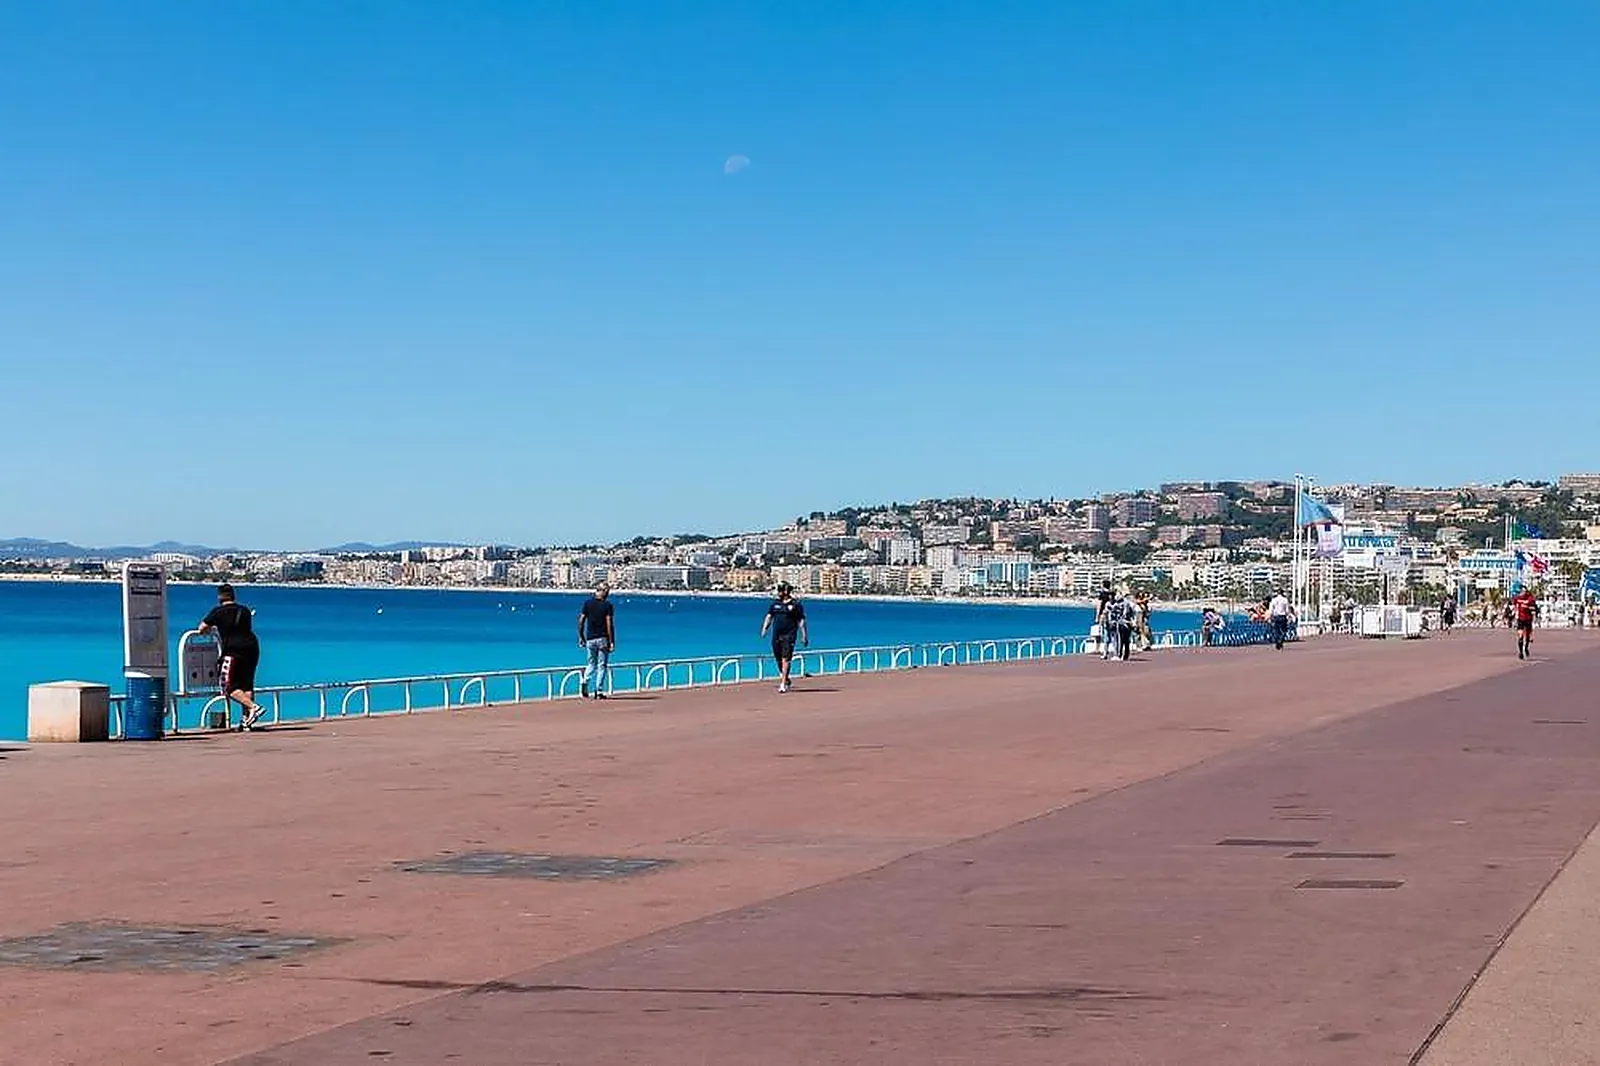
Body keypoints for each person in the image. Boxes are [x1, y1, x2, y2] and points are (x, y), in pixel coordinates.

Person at [198, 583, 264, 729]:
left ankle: (253, 707)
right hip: (252, 647)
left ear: (219, 596)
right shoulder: (245, 611)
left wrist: (214, 628)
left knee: (228, 686)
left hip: (233, 650)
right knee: (246, 684)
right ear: (234, 595)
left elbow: (202, 628)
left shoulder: (218, 612)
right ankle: (246, 721)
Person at [760, 582, 808, 692]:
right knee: (778, 658)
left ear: (786, 591)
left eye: (780, 590)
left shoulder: (796, 605)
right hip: (776, 634)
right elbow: (769, 616)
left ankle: (782, 684)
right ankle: (785, 677)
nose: (778, 593)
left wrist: (804, 635)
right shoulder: (775, 604)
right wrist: (764, 629)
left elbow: (801, 620)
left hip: (789, 635)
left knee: (785, 659)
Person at [576, 583, 615, 698]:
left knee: (591, 663)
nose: (608, 594)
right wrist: (612, 641)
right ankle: (599, 691)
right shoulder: (607, 605)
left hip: (590, 638)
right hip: (602, 638)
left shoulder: (588, 603)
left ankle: (585, 681)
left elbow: (581, 620)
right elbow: (609, 623)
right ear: (600, 591)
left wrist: (581, 635)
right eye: (606, 591)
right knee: (602, 665)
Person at [1512, 587, 1539, 660]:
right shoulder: (1517, 598)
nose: (1523, 592)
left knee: (1527, 636)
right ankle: (1520, 652)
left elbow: (1534, 609)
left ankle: (1526, 648)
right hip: (1520, 619)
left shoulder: (1530, 599)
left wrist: (1528, 608)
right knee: (1520, 636)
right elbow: (1515, 606)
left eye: (1525, 591)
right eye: (1522, 591)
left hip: (1528, 619)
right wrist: (1514, 615)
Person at [1095, 580, 1115, 660]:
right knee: (1113, 634)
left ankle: (1105, 652)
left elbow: (1099, 605)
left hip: (1104, 615)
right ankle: (1115, 652)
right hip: (1113, 615)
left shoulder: (1102, 594)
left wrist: (1097, 616)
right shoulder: (1112, 594)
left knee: (1105, 633)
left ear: (1103, 585)